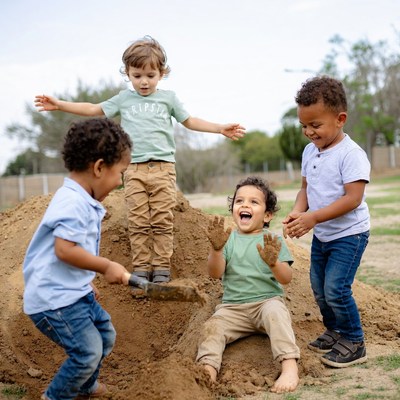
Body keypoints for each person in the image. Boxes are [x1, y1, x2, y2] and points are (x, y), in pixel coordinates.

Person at [34, 35, 245, 284]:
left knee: (162, 220)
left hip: (163, 169)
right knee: (138, 221)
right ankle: (142, 268)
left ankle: (161, 268)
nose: (143, 82)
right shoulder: (124, 99)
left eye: (150, 75)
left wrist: (220, 128)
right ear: (127, 73)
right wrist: (60, 105)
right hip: (133, 170)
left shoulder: (168, 99)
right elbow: (94, 109)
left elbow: (190, 121)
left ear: (162, 73)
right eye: (137, 76)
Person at [23, 118, 132, 400]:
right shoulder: (72, 202)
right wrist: (106, 266)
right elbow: (65, 250)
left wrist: (85, 280)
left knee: (105, 336)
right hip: (54, 300)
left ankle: (84, 386)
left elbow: (71, 254)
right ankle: (55, 396)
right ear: (99, 168)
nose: (120, 182)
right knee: (87, 352)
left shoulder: (82, 199)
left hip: (72, 293)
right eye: (120, 173)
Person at [283, 75, 370, 368]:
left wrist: (313, 218)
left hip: (350, 234)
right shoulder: (310, 151)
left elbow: (353, 198)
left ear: (340, 119)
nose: (308, 132)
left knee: (336, 288)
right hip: (324, 234)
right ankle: (334, 331)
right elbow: (306, 190)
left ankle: (354, 340)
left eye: (315, 125)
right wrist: (298, 211)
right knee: (319, 288)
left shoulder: (351, 154)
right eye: (304, 126)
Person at [196, 176, 300, 394]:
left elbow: (286, 278)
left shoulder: (272, 240)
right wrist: (216, 250)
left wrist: (273, 263)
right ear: (233, 208)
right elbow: (215, 273)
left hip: (266, 303)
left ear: (267, 215)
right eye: (239, 201)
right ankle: (207, 370)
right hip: (232, 308)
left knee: (276, 313)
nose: (245, 205)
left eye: (254, 202)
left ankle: (289, 366)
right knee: (212, 327)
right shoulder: (227, 240)